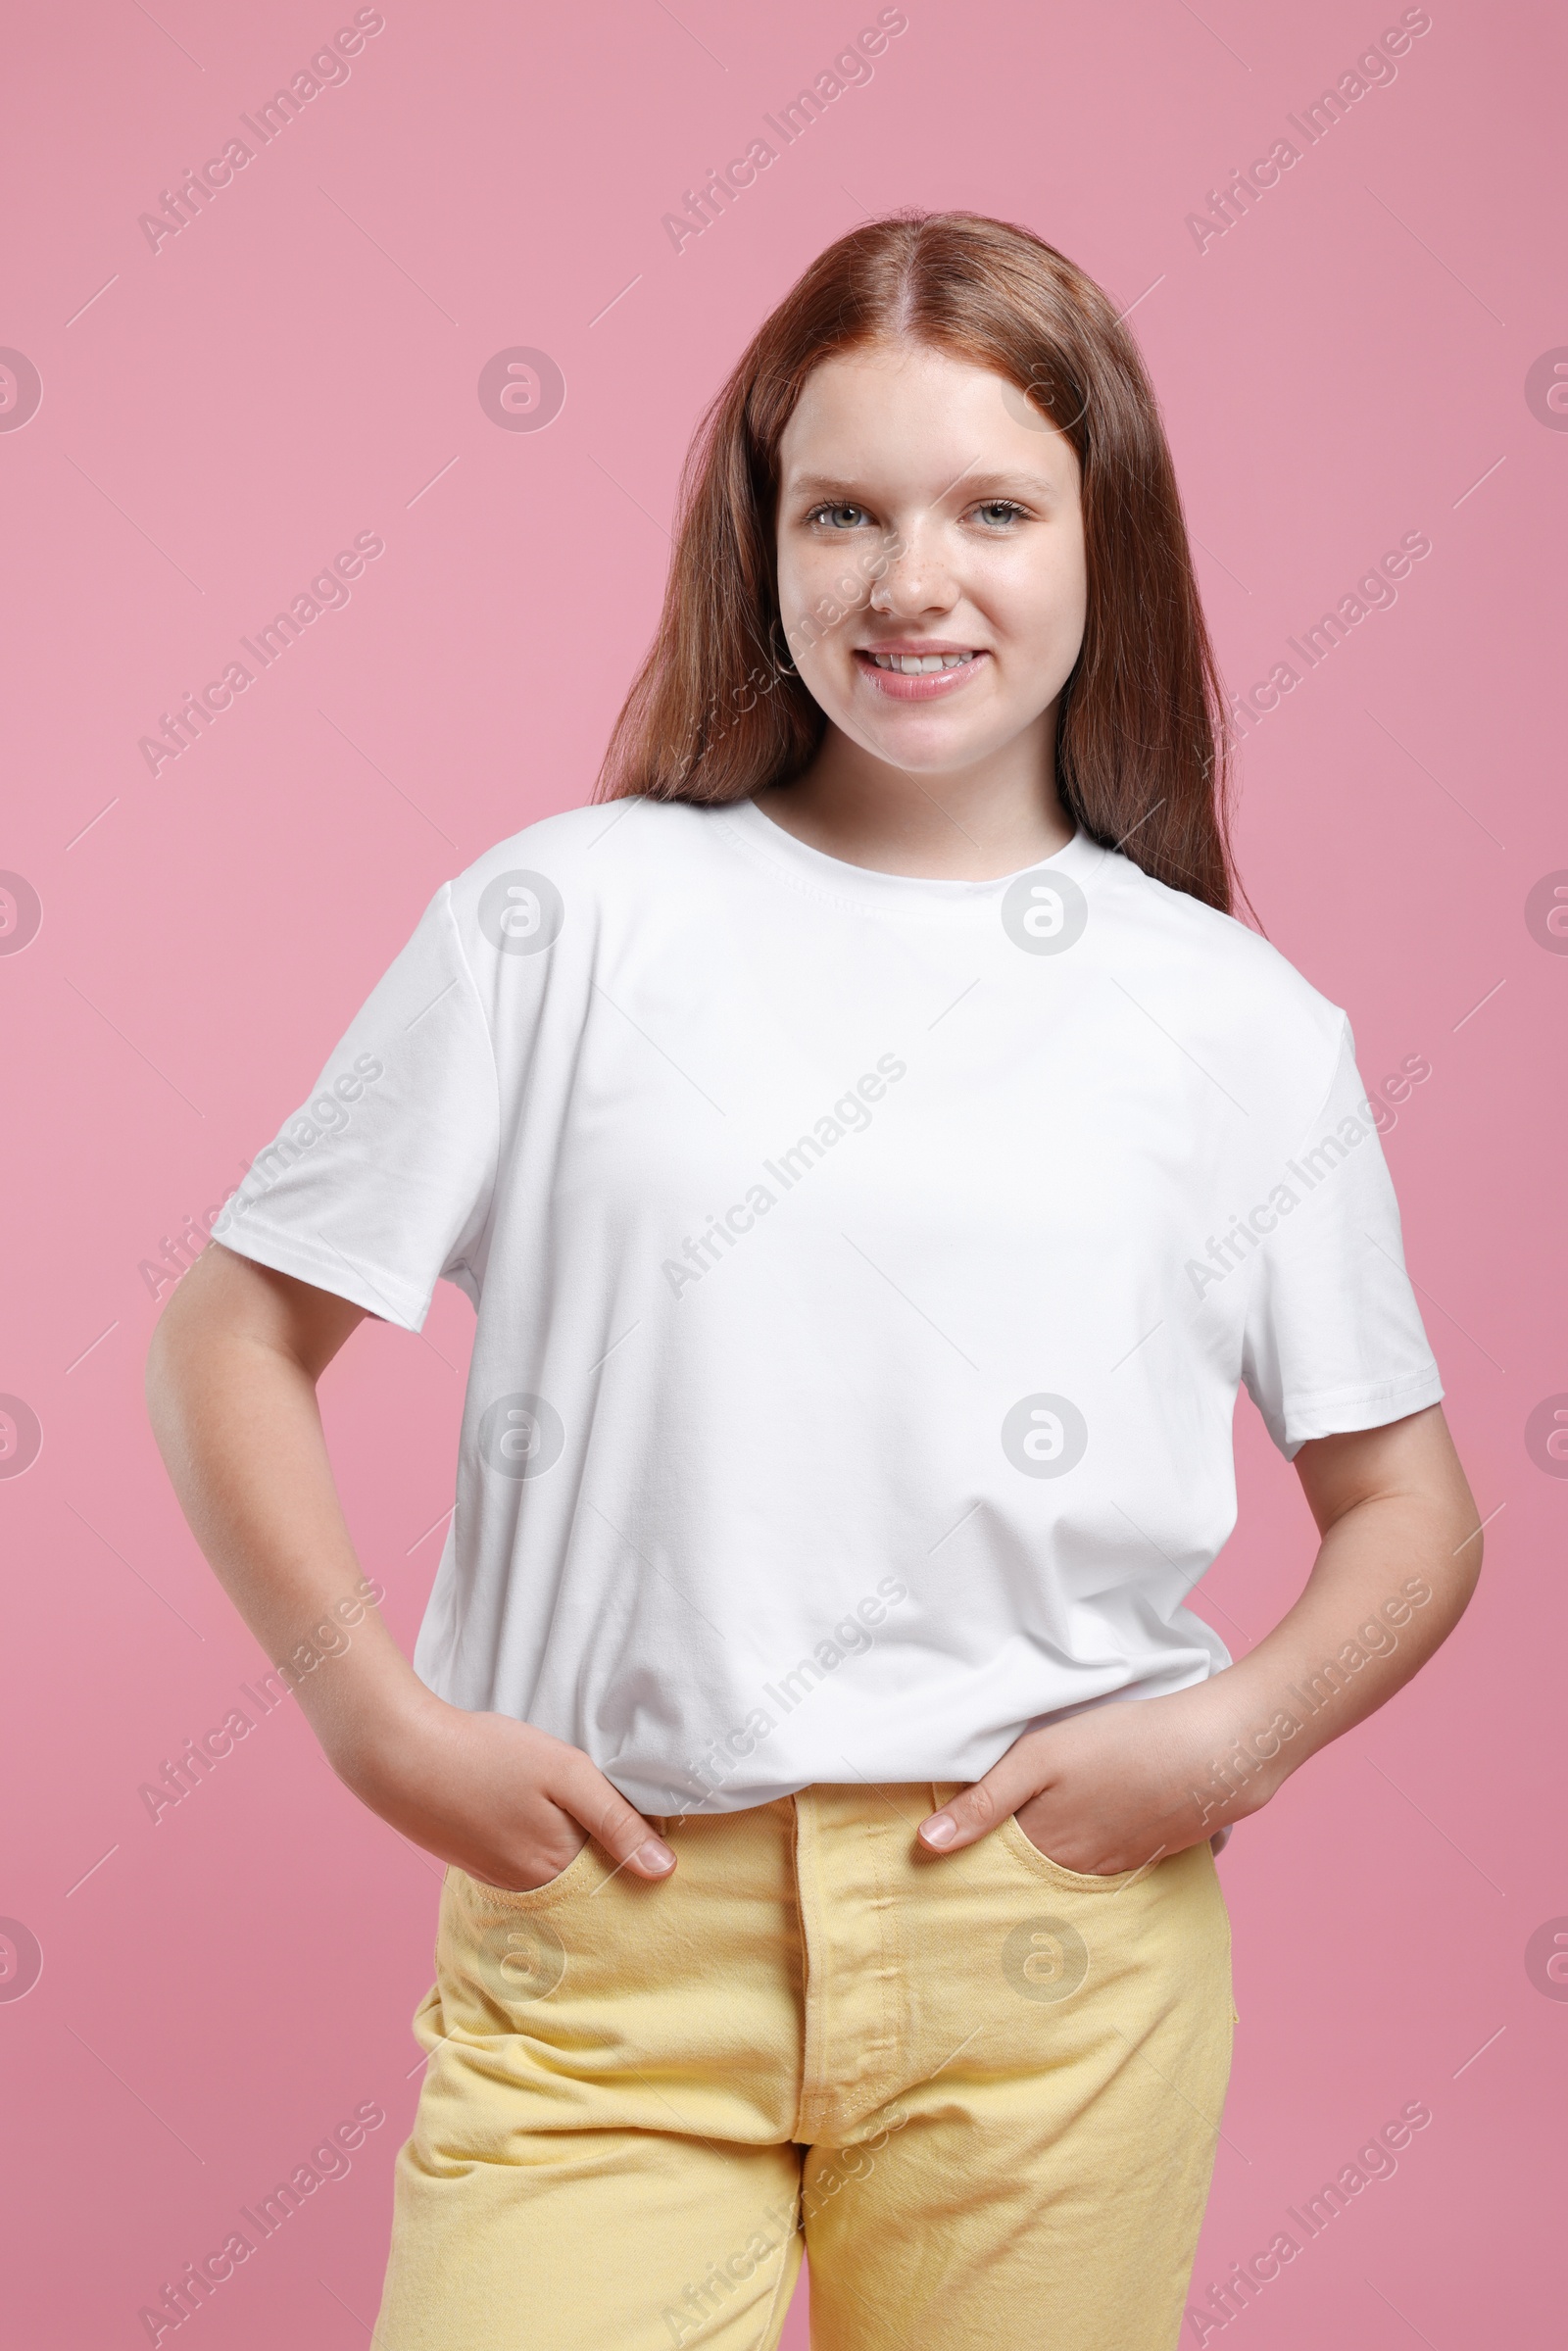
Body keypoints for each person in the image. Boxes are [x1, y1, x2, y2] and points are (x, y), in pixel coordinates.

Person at [146, 212, 1481, 2351]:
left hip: (1044, 1956)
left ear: (1101, 543)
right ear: (755, 541)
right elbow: (229, 1333)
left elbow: (1412, 1515)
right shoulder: (561, 920)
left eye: (991, 509)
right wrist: (367, 1715)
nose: (908, 580)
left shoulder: (1234, 1023)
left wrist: (1219, 1746)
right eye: (839, 508)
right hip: (608, 1939)